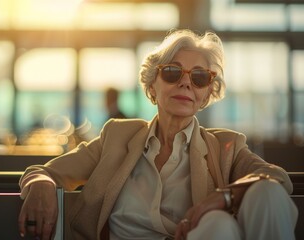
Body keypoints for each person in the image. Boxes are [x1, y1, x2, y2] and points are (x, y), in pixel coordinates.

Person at [18, 29, 298, 240]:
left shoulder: (226, 146)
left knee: (226, 220)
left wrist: (223, 198)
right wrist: (41, 182)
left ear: (205, 96)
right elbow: (45, 172)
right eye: (173, 72)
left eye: (199, 77)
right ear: (153, 86)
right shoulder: (117, 135)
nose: (186, 82)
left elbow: (276, 179)